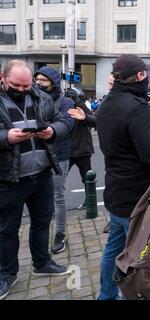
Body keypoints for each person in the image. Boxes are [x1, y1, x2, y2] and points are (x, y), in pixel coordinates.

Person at [0, 60, 71, 300]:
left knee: (42, 222)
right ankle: (7, 274)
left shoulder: (41, 96)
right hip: (8, 179)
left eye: (26, 85)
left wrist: (52, 131)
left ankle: (42, 262)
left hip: (41, 174)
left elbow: (62, 121)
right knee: (7, 230)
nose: (21, 90)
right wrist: (6, 138)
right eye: (15, 85)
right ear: (3, 77)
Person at [96, 54, 150, 300]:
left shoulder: (108, 103)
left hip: (116, 193)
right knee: (137, 258)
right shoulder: (136, 108)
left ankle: (106, 295)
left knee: (113, 251)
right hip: (138, 198)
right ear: (141, 76)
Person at [34, 67, 76, 255]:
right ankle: (39, 235)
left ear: (53, 82)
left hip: (59, 156)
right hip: (35, 155)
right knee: (37, 199)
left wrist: (51, 130)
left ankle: (60, 234)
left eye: (44, 80)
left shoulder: (65, 101)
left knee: (58, 196)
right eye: (37, 80)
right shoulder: (31, 98)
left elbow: (67, 124)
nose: (39, 83)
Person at [64, 88, 96, 212]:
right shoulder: (63, 105)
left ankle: (90, 202)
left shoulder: (82, 106)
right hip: (67, 149)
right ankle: (55, 204)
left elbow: (91, 118)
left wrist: (77, 101)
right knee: (59, 178)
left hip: (82, 149)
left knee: (87, 178)